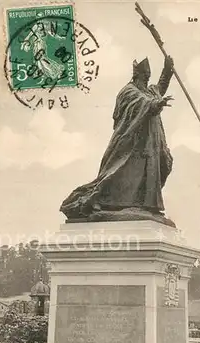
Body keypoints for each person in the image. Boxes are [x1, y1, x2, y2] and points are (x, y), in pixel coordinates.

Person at [60, 56, 174, 220]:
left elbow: (159, 89)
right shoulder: (128, 91)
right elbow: (141, 103)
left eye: (148, 77)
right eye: (144, 77)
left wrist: (167, 70)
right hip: (131, 145)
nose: (147, 80)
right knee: (120, 174)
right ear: (137, 76)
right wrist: (155, 104)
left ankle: (144, 206)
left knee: (148, 174)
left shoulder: (148, 91)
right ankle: (99, 202)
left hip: (149, 144)